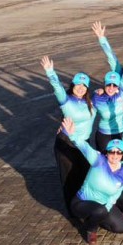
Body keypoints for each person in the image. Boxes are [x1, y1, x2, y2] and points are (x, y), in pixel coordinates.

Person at [59, 118, 123, 245]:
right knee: (100, 211)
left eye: (118, 152)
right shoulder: (98, 160)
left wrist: (108, 206)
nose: (115, 155)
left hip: (102, 205)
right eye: (111, 151)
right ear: (106, 153)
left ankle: (95, 218)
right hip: (81, 203)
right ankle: (90, 228)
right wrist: (73, 135)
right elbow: (83, 145)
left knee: (121, 227)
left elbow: (117, 192)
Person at [40, 56, 95, 215]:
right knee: (69, 179)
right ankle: (72, 210)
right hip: (67, 144)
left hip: (83, 143)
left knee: (85, 175)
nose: (80, 88)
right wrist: (50, 72)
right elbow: (57, 88)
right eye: (78, 84)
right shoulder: (66, 100)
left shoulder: (91, 102)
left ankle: (84, 206)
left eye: (84, 85)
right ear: (72, 85)